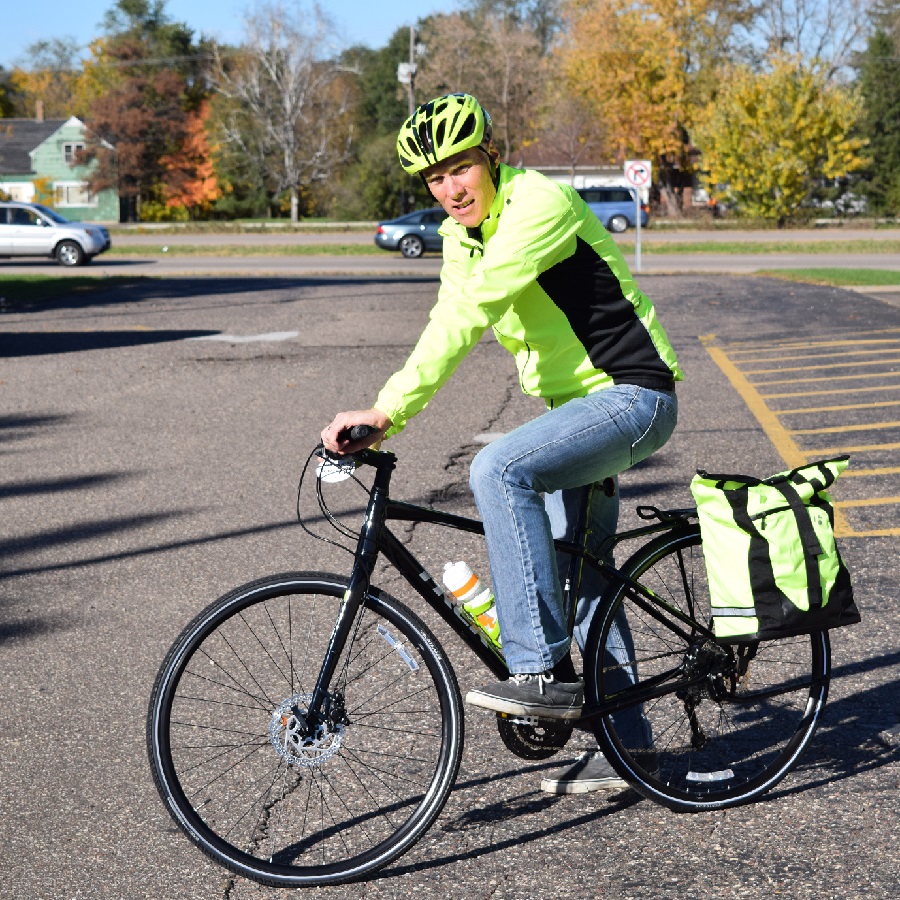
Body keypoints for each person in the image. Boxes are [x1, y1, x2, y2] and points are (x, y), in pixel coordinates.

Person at [321, 92, 682, 794]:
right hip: (579, 408)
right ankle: (633, 755)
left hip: (632, 396)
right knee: (583, 582)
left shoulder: (537, 206)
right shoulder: (464, 234)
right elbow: (450, 313)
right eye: (434, 179)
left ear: (491, 156)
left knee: (499, 469)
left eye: (460, 169)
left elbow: (477, 306)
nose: (450, 190)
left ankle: (537, 672)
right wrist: (384, 409)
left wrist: (388, 412)